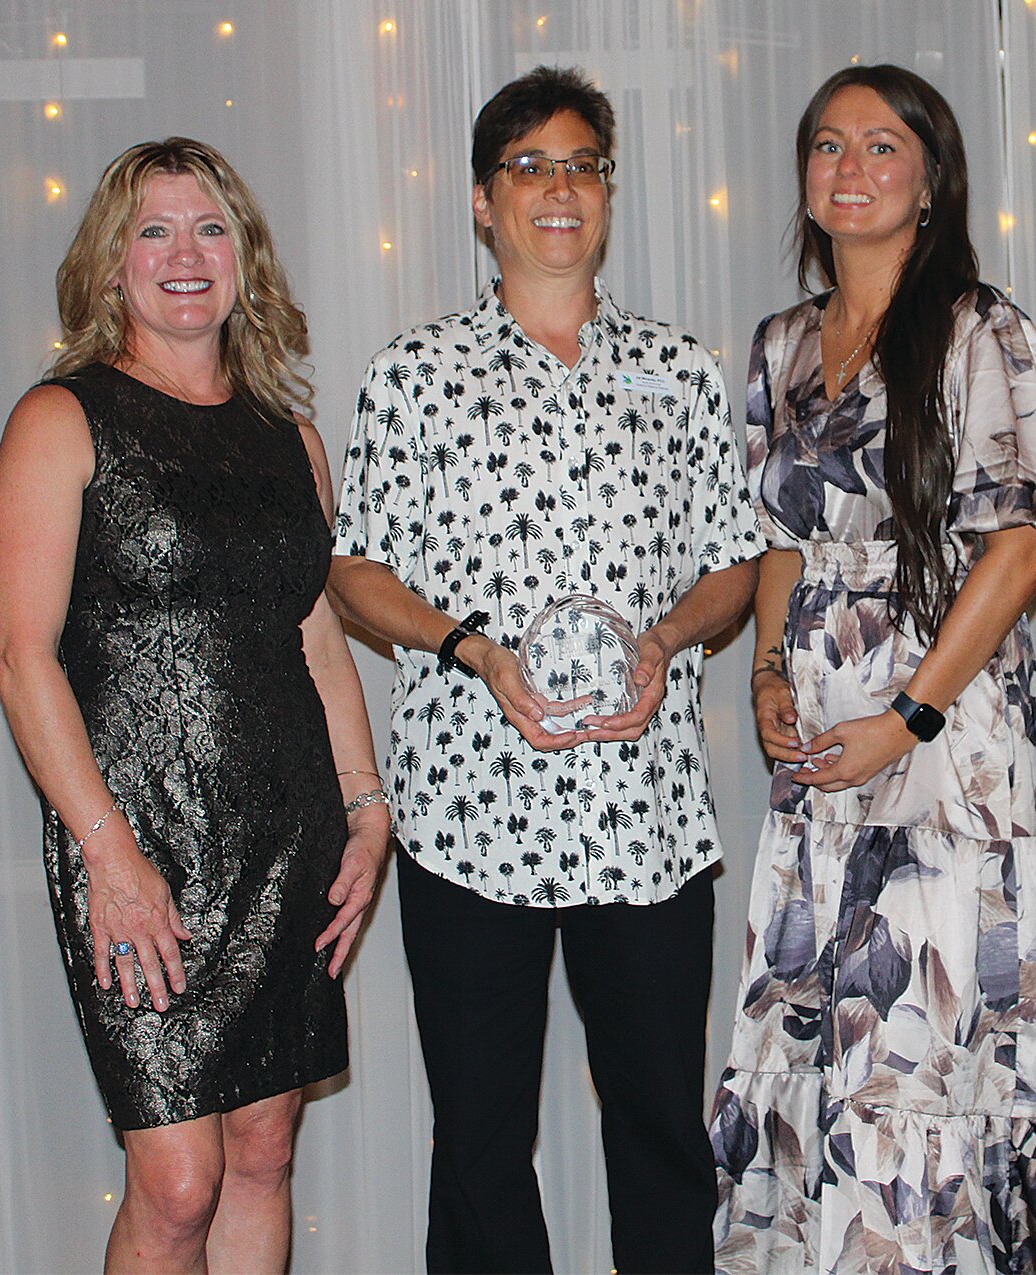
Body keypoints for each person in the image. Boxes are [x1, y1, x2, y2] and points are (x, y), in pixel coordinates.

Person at [330, 66, 763, 1274]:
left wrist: (666, 641)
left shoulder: (677, 372)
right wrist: (470, 648)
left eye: (582, 166)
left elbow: (733, 566)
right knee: (477, 1142)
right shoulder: (414, 375)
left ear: (606, 194)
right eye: (530, 167)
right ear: (482, 200)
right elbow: (355, 569)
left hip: (645, 813)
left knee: (662, 1129)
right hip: (471, 812)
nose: (559, 189)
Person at [708, 64, 1036, 1274]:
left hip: (947, 746)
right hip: (820, 748)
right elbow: (779, 538)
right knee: (818, 1038)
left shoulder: (983, 330)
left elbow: (1028, 540)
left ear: (931, 179)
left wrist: (912, 713)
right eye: (827, 146)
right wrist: (767, 670)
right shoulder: (778, 347)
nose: (850, 167)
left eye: (881, 146)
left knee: (919, 1041)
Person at [0, 138, 389, 1274]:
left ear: (244, 258)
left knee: (263, 1151)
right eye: (152, 232)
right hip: (135, 841)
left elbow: (315, 633)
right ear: (111, 265)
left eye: (209, 228)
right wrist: (108, 855)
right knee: (176, 1181)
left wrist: (367, 809)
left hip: (287, 830)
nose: (184, 254)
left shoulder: (287, 437)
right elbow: (21, 658)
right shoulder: (61, 420)